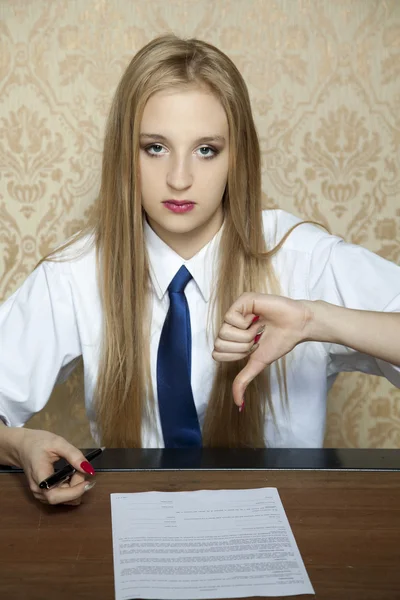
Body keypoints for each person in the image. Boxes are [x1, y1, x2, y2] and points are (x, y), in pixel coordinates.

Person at [0, 34, 400, 506]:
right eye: (155, 147)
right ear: (125, 154)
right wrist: (17, 443)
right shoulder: (76, 270)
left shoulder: (303, 256)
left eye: (206, 149)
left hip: (288, 530)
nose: (179, 178)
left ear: (238, 157)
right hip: (139, 533)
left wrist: (318, 320)